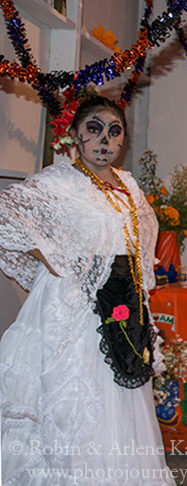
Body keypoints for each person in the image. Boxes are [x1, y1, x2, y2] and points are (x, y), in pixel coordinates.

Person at [0, 95, 175, 484]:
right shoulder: (60, 181)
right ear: (76, 135)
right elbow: (7, 211)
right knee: (75, 402)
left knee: (121, 403)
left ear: (123, 141)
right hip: (74, 310)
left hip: (121, 308)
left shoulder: (128, 185)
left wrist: (136, 288)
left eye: (114, 132)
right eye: (93, 129)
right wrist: (54, 258)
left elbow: (143, 237)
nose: (104, 140)